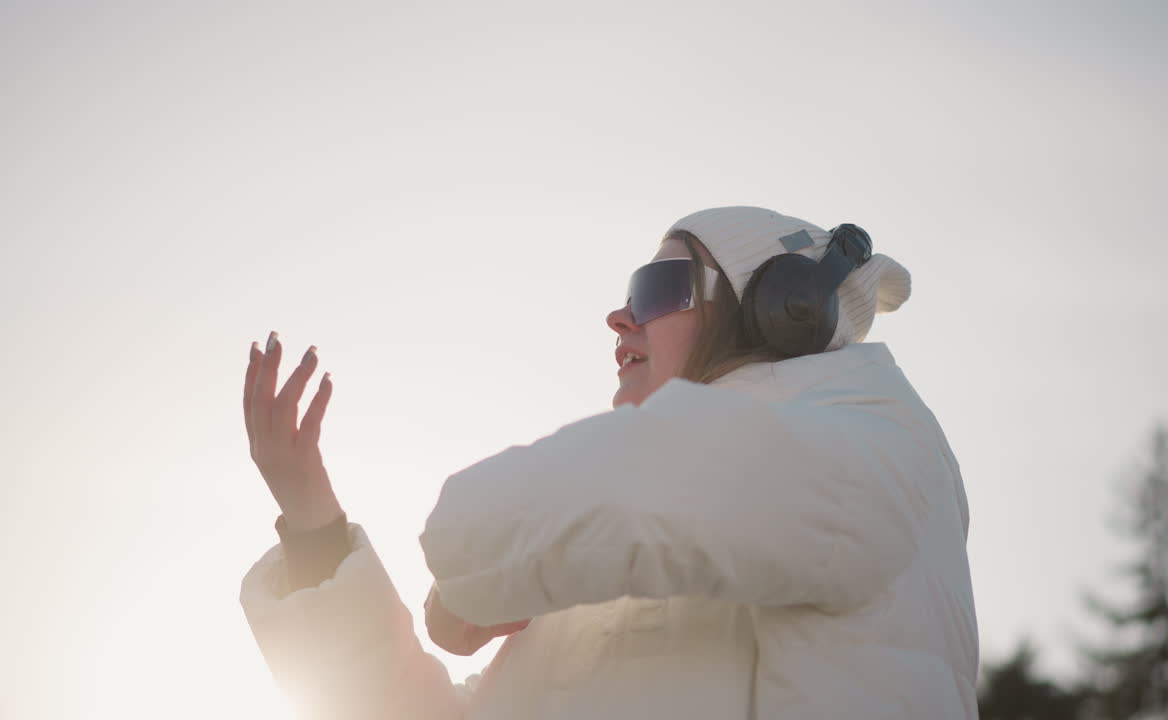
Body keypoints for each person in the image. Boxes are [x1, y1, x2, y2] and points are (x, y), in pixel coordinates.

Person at [239, 205, 979, 719]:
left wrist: (467, 590)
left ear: (779, 311)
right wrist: (313, 530)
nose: (619, 317)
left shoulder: (881, 444)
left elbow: (516, 523)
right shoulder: (597, 548)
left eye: (657, 289)